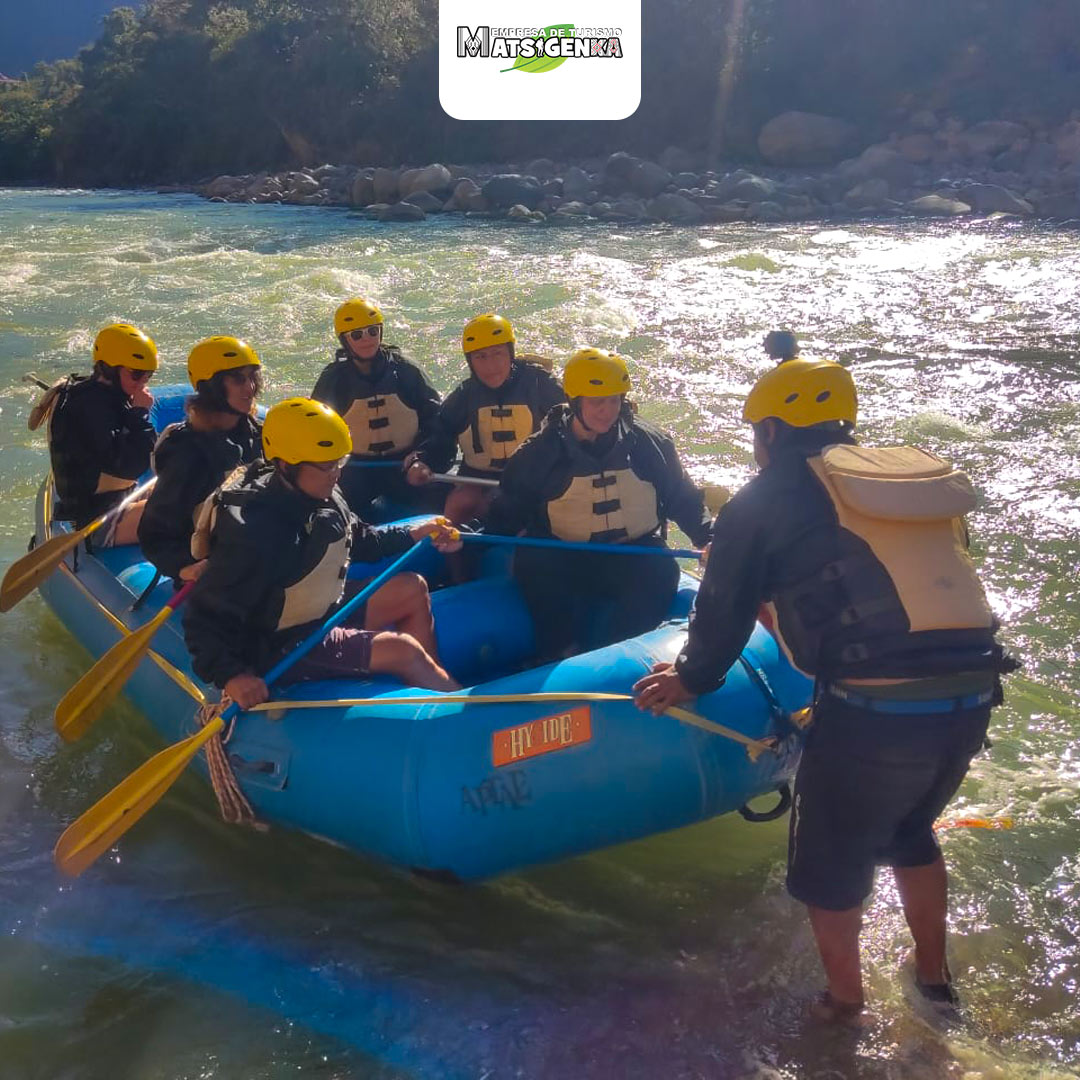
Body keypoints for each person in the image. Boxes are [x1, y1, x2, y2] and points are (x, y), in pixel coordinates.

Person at [633, 358, 1015, 1023]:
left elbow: (722, 611)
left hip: (877, 712)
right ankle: (934, 984)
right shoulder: (893, 480)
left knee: (829, 867)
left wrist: (690, 679)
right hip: (972, 694)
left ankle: (843, 1010)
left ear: (772, 431)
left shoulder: (764, 498)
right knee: (911, 831)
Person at [183, 398, 462, 708]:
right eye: (327, 466)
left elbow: (359, 539)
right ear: (287, 466)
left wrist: (413, 534)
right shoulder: (254, 532)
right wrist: (231, 676)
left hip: (318, 609)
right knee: (403, 650)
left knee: (412, 588)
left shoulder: (320, 494)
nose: (336, 473)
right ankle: (457, 712)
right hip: (281, 645)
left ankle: (432, 690)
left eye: (339, 462)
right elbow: (202, 618)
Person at [486, 348, 712, 660]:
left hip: (630, 554)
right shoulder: (539, 453)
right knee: (533, 560)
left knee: (661, 569)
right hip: (564, 556)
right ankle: (559, 649)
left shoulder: (648, 443)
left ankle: (619, 654)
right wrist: (472, 537)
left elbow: (681, 496)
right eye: (597, 402)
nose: (607, 411)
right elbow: (509, 508)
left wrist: (706, 537)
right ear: (575, 401)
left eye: (614, 401)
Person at [404, 313, 565, 524]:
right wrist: (421, 461)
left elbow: (572, 425)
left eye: (498, 353)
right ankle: (454, 544)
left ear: (510, 353)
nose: (491, 366)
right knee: (459, 502)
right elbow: (440, 437)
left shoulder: (540, 384)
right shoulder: (464, 395)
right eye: (480, 357)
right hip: (480, 479)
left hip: (531, 480)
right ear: (470, 361)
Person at [138, 336, 264, 585]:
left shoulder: (256, 435)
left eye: (252, 377)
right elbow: (154, 534)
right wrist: (185, 568)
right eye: (238, 379)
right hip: (213, 577)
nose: (250, 388)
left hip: (255, 562)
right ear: (212, 386)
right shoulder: (189, 452)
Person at [312, 298, 442, 518]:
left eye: (373, 331)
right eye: (357, 335)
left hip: (404, 465)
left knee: (441, 502)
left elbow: (437, 422)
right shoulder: (333, 379)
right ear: (344, 339)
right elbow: (317, 431)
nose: (367, 339)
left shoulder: (406, 371)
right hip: (355, 469)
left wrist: (423, 457)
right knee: (328, 512)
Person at [30, 322, 158, 546]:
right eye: (136, 374)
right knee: (184, 509)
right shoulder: (91, 409)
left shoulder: (99, 395)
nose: (142, 382)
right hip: (99, 521)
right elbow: (132, 466)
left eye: (148, 375)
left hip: (116, 501)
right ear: (110, 369)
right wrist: (139, 415)